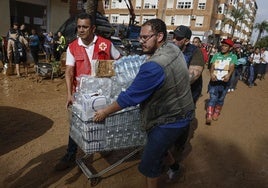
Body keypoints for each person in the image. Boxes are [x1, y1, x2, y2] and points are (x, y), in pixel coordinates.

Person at [93, 18, 195, 188]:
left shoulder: (154, 66)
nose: (141, 41)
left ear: (160, 36)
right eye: (140, 37)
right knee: (160, 149)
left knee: (149, 164)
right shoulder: (173, 48)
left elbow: (130, 97)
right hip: (184, 111)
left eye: (145, 37)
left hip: (169, 120)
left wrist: (105, 112)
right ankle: (175, 167)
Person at [54, 12, 121, 171]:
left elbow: (120, 63)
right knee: (75, 125)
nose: (81, 30)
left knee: (102, 122)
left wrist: (109, 75)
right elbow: (69, 72)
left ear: (93, 28)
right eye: (79, 27)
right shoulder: (72, 47)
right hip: (80, 96)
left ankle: (103, 147)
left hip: (102, 96)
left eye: (85, 27)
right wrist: (70, 95)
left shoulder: (106, 44)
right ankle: (70, 154)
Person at [171, 26, 205, 105]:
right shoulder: (170, 49)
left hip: (189, 92)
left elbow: (193, 75)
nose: (173, 40)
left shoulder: (195, 51)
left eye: (178, 38)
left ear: (186, 41)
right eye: (173, 37)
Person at [206, 39, 236, 125]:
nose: (223, 47)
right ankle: (209, 115)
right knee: (213, 98)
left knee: (220, 99)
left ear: (230, 48)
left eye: (226, 46)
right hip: (214, 82)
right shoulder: (216, 55)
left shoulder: (233, 57)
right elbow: (212, 65)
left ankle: (216, 112)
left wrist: (229, 75)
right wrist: (211, 74)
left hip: (225, 83)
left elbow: (232, 66)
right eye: (222, 45)